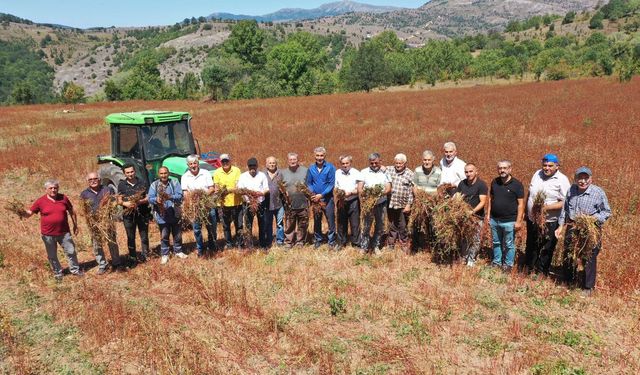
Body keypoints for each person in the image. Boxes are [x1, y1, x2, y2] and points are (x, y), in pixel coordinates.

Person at [555, 167, 611, 297]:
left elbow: (606, 211)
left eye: (586, 178)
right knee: (569, 253)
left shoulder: (598, 192)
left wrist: (592, 219)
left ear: (591, 179)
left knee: (589, 256)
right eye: (580, 178)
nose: (583, 181)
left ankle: (588, 286)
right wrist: (560, 226)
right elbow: (565, 209)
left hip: (590, 228)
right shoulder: (571, 190)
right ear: (575, 179)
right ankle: (568, 281)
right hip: (573, 226)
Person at [23, 179, 82, 280]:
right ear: (46, 189)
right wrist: (21, 212)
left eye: (55, 188)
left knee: (71, 251)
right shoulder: (40, 201)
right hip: (48, 234)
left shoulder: (63, 198)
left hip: (64, 232)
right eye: (51, 188)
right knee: (52, 255)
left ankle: (75, 270)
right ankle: (58, 273)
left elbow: (72, 211)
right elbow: (30, 213)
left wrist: (75, 225)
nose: (53, 190)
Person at [524, 154, 571, 275]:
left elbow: (566, 202)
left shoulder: (562, 180)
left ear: (557, 166)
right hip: (533, 218)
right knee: (532, 243)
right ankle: (528, 268)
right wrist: (526, 211)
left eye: (550, 166)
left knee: (547, 246)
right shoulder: (537, 174)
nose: (546, 168)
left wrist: (546, 208)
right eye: (544, 165)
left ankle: (541, 271)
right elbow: (530, 193)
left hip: (550, 220)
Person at [79, 172, 122, 274]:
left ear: (99, 179)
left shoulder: (107, 189)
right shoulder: (84, 194)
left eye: (95, 178)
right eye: (90, 180)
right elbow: (83, 209)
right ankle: (102, 264)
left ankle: (116, 262)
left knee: (112, 241)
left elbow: (114, 202)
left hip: (107, 220)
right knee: (96, 244)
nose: (93, 181)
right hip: (94, 223)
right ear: (87, 181)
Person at [487, 160, 525, 272]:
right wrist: (489, 215)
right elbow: (491, 199)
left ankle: (508, 265)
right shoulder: (494, 182)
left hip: (509, 220)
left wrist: (519, 221)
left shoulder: (517, 185)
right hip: (495, 219)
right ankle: (497, 262)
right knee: (496, 242)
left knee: (509, 244)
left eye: (504, 168)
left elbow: (521, 204)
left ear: (510, 169)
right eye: (500, 168)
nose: (502, 170)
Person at [149, 166, 187, 264]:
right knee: (164, 235)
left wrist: (170, 196)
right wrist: (156, 200)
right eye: (161, 173)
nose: (163, 175)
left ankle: (178, 251)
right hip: (162, 215)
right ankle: (165, 254)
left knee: (177, 234)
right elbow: (150, 198)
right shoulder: (154, 184)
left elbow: (180, 196)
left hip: (175, 212)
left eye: (165, 173)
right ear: (159, 174)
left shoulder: (174, 182)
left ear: (168, 173)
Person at [181, 154, 215, 257]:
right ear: (188, 165)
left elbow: (212, 188)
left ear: (198, 163)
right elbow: (185, 193)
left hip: (208, 204)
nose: (193, 165)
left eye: (195, 163)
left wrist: (202, 196)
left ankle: (212, 246)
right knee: (196, 229)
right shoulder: (185, 176)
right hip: (194, 206)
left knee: (211, 226)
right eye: (190, 164)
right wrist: (192, 201)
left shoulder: (205, 173)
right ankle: (200, 249)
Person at [455, 163, 488, 266]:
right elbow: (458, 197)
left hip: (477, 217)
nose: (468, 174)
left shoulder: (481, 185)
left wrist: (472, 212)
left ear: (476, 171)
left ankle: (471, 259)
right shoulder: (462, 184)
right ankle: (464, 256)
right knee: (464, 237)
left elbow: (482, 202)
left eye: (470, 171)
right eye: (466, 172)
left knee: (475, 239)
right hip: (464, 216)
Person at [118, 164, 151, 265]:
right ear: (124, 173)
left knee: (144, 236)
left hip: (143, 213)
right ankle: (133, 257)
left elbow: (148, 197)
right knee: (130, 237)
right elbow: (119, 200)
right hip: (128, 216)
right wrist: (126, 203)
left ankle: (146, 255)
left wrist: (140, 202)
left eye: (131, 172)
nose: (130, 174)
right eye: (127, 173)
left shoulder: (142, 182)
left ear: (134, 171)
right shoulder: (122, 185)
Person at [359, 152, 391, 253]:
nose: (374, 165)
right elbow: (360, 188)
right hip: (368, 204)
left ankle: (376, 246)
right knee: (366, 225)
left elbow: (388, 188)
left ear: (380, 161)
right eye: (371, 163)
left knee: (380, 225)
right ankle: (364, 246)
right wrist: (368, 195)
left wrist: (379, 194)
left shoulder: (385, 172)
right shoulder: (364, 172)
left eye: (376, 163)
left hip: (381, 203)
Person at [306, 146, 337, 248]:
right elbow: (309, 183)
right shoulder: (311, 168)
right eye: (317, 155)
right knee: (317, 220)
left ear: (325, 156)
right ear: (314, 156)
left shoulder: (330, 167)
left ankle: (331, 241)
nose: (319, 158)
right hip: (315, 200)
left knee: (330, 220)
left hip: (327, 199)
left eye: (321, 155)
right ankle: (318, 240)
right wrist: (313, 193)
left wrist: (322, 194)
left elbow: (331, 184)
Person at [412, 150, 442, 250]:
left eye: (429, 160)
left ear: (433, 160)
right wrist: (419, 198)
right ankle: (416, 246)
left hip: (433, 203)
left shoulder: (438, 171)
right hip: (419, 202)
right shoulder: (417, 170)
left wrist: (433, 200)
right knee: (417, 223)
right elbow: (414, 186)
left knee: (432, 223)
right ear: (422, 159)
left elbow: (439, 188)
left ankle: (433, 246)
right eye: (425, 160)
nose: (427, 162)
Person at [236, 157, 270, 248]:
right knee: (248, 225)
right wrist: (248, 194)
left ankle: (263, 244)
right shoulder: (243, 176)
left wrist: (261, 193)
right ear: (247, 167)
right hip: (248, 204)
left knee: (262, 224)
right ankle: (249, 245)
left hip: (260, 203)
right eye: (250, 166)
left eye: (254, 166)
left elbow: (267, 189)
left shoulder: (262, 175)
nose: (252, 168)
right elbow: (239, 190)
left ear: (257, 166)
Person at [213, 153, 243, 249]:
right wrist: (219, 191)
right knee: (226, 226)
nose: (225, 163)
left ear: (230, 161)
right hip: (223, 204)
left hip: (236, 202)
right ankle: (229, 244)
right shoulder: (217, 172)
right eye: (223, 161)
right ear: (220, 162)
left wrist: (227, 190)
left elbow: (238, 187)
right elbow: (216, 188)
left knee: (239, 225)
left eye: (227, 161)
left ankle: (240, 244)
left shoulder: (236, 170)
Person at [385, 153, 415, 251]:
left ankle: (404, 243)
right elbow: (382, 167)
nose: (398, 165)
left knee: (402, 225)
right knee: (392, 223)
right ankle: (391, 244)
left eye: (400, 163)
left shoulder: (410, 174)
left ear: (405, 163)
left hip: (402, 204)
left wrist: (408, 205)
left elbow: (411, 191)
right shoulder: (390, 170)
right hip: (391, 203)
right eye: (396, 163)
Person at [281, 152, 309, 248]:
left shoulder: (305, 171)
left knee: (302, 224)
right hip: (289, 204)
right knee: (289, 224)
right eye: (290, 160)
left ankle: (300, 242)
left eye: (294, 159)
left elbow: (309, 185)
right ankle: (289, 242)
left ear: (298, 160)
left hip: (303, 203)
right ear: (287, 161)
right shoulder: (283, 172)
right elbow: (280, 187)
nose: (292, 161)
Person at [334, 155, 363, 249]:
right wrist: (340, 193)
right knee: (341, 223)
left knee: (355, 223)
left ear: (350, 163)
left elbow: (359, 189)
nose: (345, 165)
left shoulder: (356, 173)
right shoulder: (337, 172)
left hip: (353, 200)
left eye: (347, 163)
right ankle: (341, 243)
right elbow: (336, 187)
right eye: (343, 163)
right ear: (340, 164)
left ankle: (356, 243)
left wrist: (350, 192)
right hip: (341, 201)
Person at [263, 156, 285, 247]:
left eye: (273, 163)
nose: (272, 164)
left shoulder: (281, 174)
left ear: (276, 164)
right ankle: (269, 240)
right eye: (270, 163)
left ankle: (280, 241)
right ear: (266, 164)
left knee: (279, 224)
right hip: (267, 204)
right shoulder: (263, 174)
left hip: (279, 204)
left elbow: (285, 186)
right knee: (268, 223)